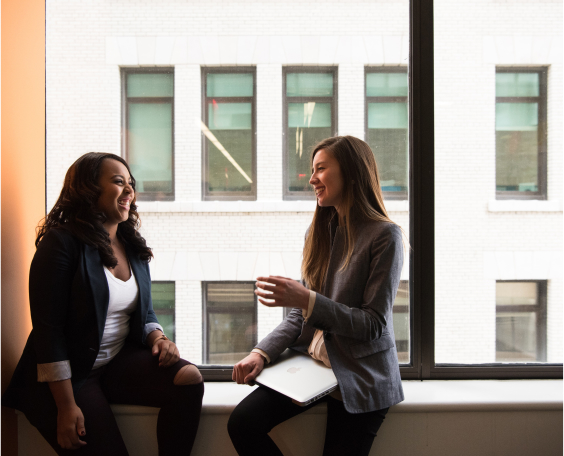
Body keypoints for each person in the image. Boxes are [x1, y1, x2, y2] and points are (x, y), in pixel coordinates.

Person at [2, 152, 204, 456]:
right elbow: (49, 332)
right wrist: (66, 407)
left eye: (131, 184)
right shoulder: (60, 243)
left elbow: (144, 311)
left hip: (111, 364)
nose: (129, 191)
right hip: (68, 380)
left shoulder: (131, 245)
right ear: (88, 189)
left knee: (189, 379)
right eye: (118, 182)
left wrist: (158, 337)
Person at [228, 136, 405, 456]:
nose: (311, 179)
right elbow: (300, 314)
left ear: (351, 173)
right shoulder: (319, 232)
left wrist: (307, 300)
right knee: (242, 423)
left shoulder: (385, 235)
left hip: (361, 375)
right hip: (316, 367)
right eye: (312, 170)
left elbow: (373, 324)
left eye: (321, 169)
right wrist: (261, 353)